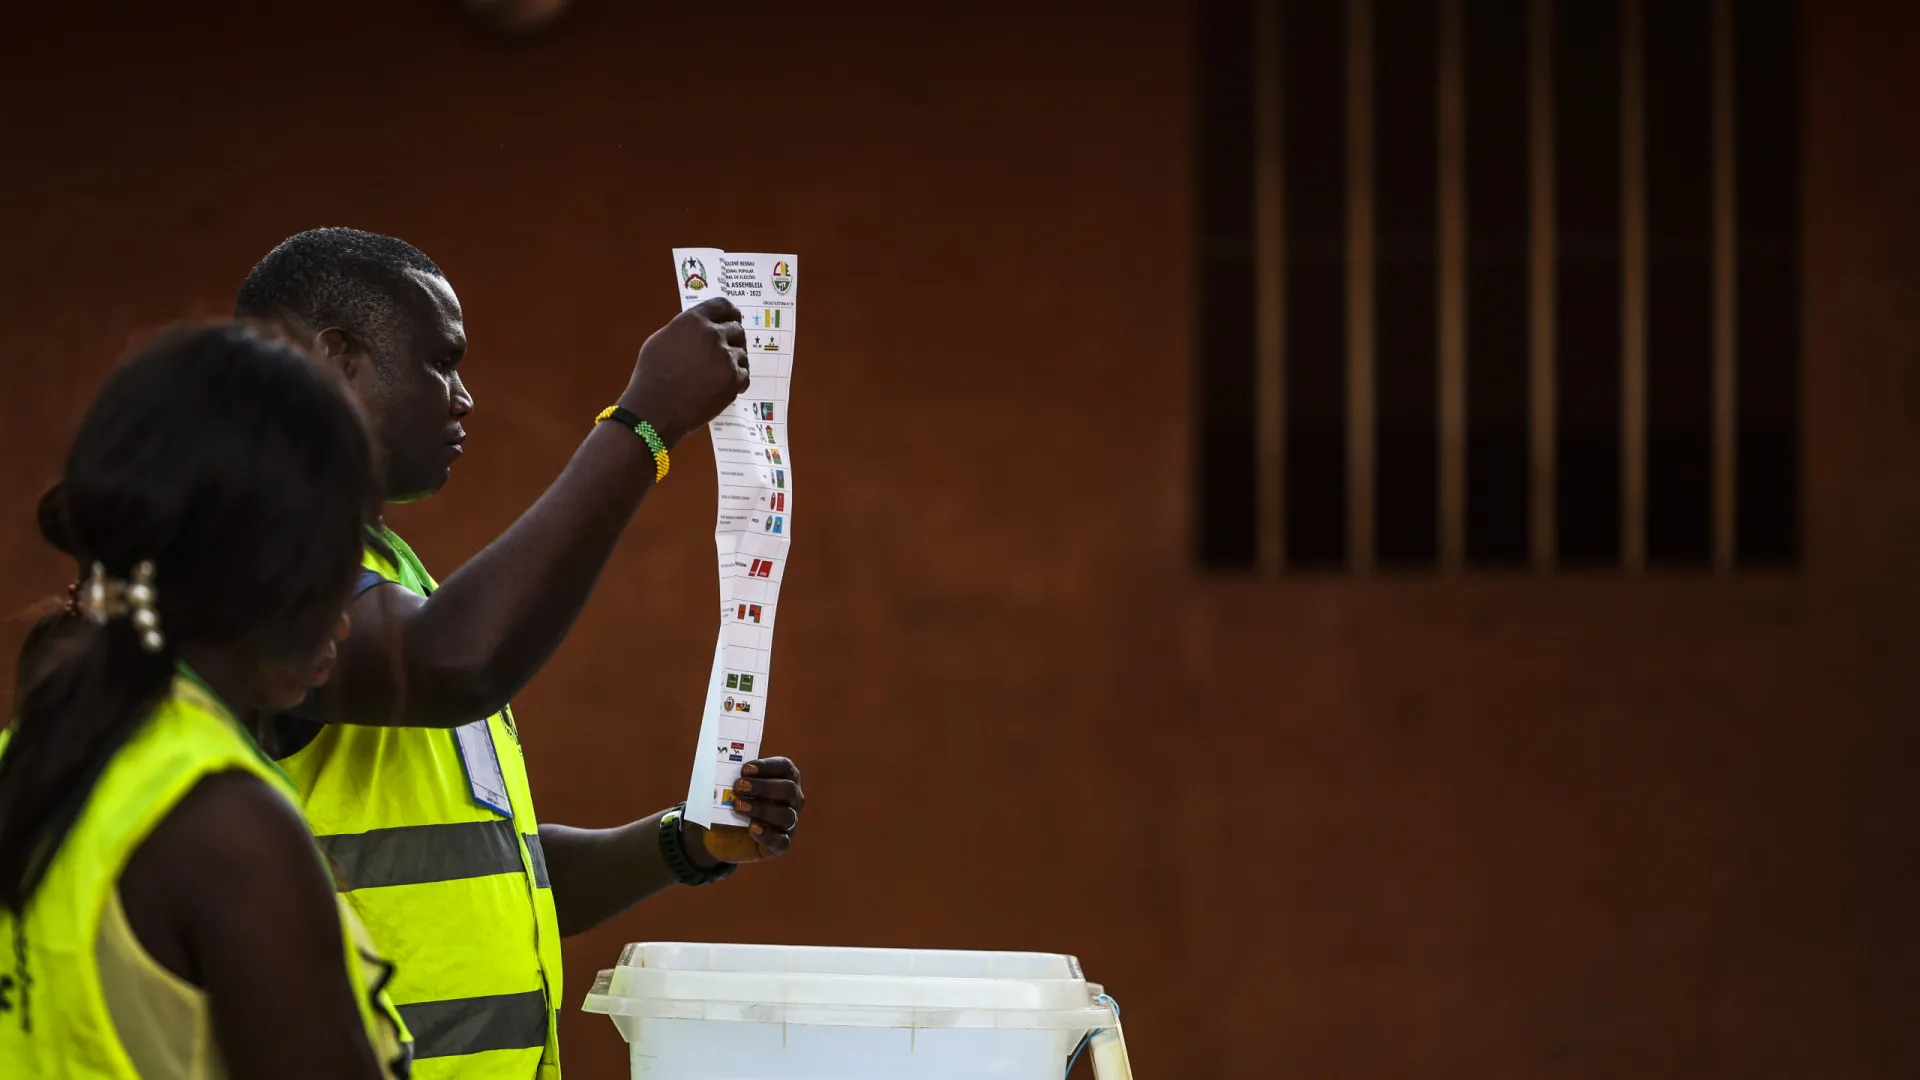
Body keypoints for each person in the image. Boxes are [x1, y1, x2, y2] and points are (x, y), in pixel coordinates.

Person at [234, 228, 810, 1080]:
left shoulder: (388, 575)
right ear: (337, 360)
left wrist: (685, 843)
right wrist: (643, 424)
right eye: (441, 363)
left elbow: (499, 879)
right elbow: (460, 661)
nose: (464, 399)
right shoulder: (248, 564)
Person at [0, 324, 412, 1079]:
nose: (347, 615)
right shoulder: (226, 826)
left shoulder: (30, 756)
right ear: (275, 567)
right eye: (339, 557)